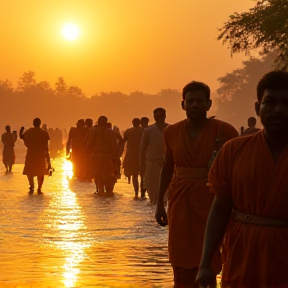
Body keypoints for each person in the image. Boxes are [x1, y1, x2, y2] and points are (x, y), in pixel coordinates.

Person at [196, 71, 288, 288]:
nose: (278, 110)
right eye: (270, 102)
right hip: (243, 253)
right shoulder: (234, 150)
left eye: (286, 103)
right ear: (258, 109)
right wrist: (205, 263)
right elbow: (220, 208)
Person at [155, 81, 238, 288]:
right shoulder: (171, 132)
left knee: (213, 253)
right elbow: (167, 167)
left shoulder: (226, 132)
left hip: (214, 201)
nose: (194, 105)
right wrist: (158, 203)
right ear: (183, 105)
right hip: (180, 201)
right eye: (190, 101)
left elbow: (237, 171)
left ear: (209, 104)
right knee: (180, 255)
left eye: (199, 101)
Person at [140, 108, 168, 203]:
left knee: (166, 191)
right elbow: (143, 148)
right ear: (154, 117)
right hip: (152, 163)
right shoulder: (148, 131)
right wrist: (141, 164)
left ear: (165, 116)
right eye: (157, 116)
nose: (159, 118)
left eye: (161, 115)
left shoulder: (170, 129)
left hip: (167, 163)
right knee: (152, 190)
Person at [86, 116, 118, 197]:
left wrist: (91, 155)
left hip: (98, 156)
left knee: (98, 174)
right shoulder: (110, 132)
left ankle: (100, 189)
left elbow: (88, 146)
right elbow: (114, 146)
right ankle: (107, 190)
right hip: (107, 157)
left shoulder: (94, 132)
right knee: (108, 175)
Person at [21, 118, 50, 193]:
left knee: (29, 170)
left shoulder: (29, 131)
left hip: (31, 153)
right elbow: (46, 146)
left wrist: (21, 131)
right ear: (40, 123)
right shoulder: (44, 133)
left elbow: (22, 137)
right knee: (41, 171)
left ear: (33, 123)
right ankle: (39, 188)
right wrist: (48, 159)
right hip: (40, 154)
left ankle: (31, 186)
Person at [122, 118, 143, 199]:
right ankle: (142, 193)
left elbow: (123, 141)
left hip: (132, 155)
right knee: (142, 175)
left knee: (134, 175)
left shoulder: (129, 131)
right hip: (141, 154)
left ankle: (136, 193)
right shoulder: (143, 130)